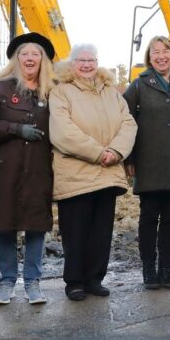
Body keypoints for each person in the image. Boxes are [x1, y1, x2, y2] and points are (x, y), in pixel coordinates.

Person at [49, 43, 136, 301]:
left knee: (101, 231)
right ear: (71, 63)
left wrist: (116, 152)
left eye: (91, 60)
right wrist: (99, 153)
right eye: (81, 60)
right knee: (75, 231)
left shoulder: (111, 92)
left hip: (108, 172)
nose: (86, 65)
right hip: (76, 174)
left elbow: (128, 124)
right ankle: (74, 281)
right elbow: (63, 132)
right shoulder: (61, 92)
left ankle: (94, 278)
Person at [0, 33, 56, 305]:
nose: (30, 58)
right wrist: (15, 129)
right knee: (6, 225)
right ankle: (7, 281)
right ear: (16, 59)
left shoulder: (52, 92)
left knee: (36, 225)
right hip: (7, 169)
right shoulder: (0, 90)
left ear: (43, 60)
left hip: (39, 168)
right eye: (25, 54)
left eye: (36, 54)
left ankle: (33, 281)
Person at [123, 36, 170, 290]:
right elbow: (126, 123)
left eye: (165, 51)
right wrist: (130, 158)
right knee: (148, 218)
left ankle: (165, 269)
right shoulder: (139, 85)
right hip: (148, 162)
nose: (161, 56)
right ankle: (149, 269)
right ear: (149, 57)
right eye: (155, 52)